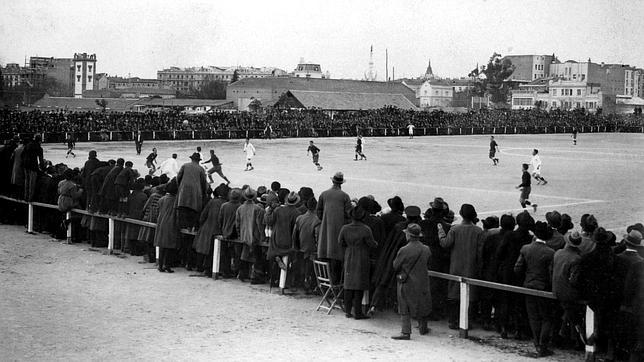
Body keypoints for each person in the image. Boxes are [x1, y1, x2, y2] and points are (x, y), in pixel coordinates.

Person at [439, 203, 485, 330]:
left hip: (456, 266)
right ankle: (467, 321)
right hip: (472, 266)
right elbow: (480, 252)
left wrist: (441, 232)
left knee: (454, 293)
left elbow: (445, 243)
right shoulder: (478, 231)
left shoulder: (455, 229)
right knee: (471, 295)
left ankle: (453, 320)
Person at [514, 221, 556, 357]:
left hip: (529, 286)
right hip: (543, 288)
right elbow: (551, 274)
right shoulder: (550, 252)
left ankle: (537, 343)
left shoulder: (525, 248)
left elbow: (517, 268)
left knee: (533, 317)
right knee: (546, 317)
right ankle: (542, 345)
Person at [391, 223, 432, 340]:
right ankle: (423, 328)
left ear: (408, 235)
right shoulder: (426, 249)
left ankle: (405, 332)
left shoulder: (404, 250)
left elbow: (395, 265)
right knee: (422, 304)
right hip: (422, 281)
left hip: (407, 281)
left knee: (404, 306)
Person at [339, 206, 377, 320]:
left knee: (348, 283)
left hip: (349, 254)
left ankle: (347, 310)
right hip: (362, 256)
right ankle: (358, 312)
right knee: (359, 285)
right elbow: (372, 244)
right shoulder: (366, 229)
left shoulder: (345, 228)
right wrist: (376, 244)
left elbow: (340, 242)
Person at [316, 172, 352, 283]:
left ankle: (325, 284)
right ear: (341, 183)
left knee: (325, 259)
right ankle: (335, 286)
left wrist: (327, 220)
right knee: (336, 264)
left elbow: (319, 212)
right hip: (338, 232)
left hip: (325, 233)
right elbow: (349, 214)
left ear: (333, 181)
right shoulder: (345, 196)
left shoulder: (324, 194)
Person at [552, 231, 584, 350]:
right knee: (575, 312)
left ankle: (565, 333)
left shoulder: (558, 253)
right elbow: (574, 280)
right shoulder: (576, 258)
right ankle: (571, 336)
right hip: (568, 293)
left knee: (568, 311)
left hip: (556, 288)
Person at [235, 187, 264, 281]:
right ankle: (254, 276)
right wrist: (261, 236)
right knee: (256, 256)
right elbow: (259, 224)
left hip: (244, 235)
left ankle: (242, 273)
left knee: (244, 254)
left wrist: (240, 234)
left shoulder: (240, 208)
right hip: (254, 235)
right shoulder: (258, 209)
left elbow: (237, 224)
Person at [154, 179, 179, 273]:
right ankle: (167, 266)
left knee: (161, 246)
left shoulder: (161, 199)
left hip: (161, 224)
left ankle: (160, 266)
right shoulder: (176, 200)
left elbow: (157, 211)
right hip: (171, 224)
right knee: (169, 247)